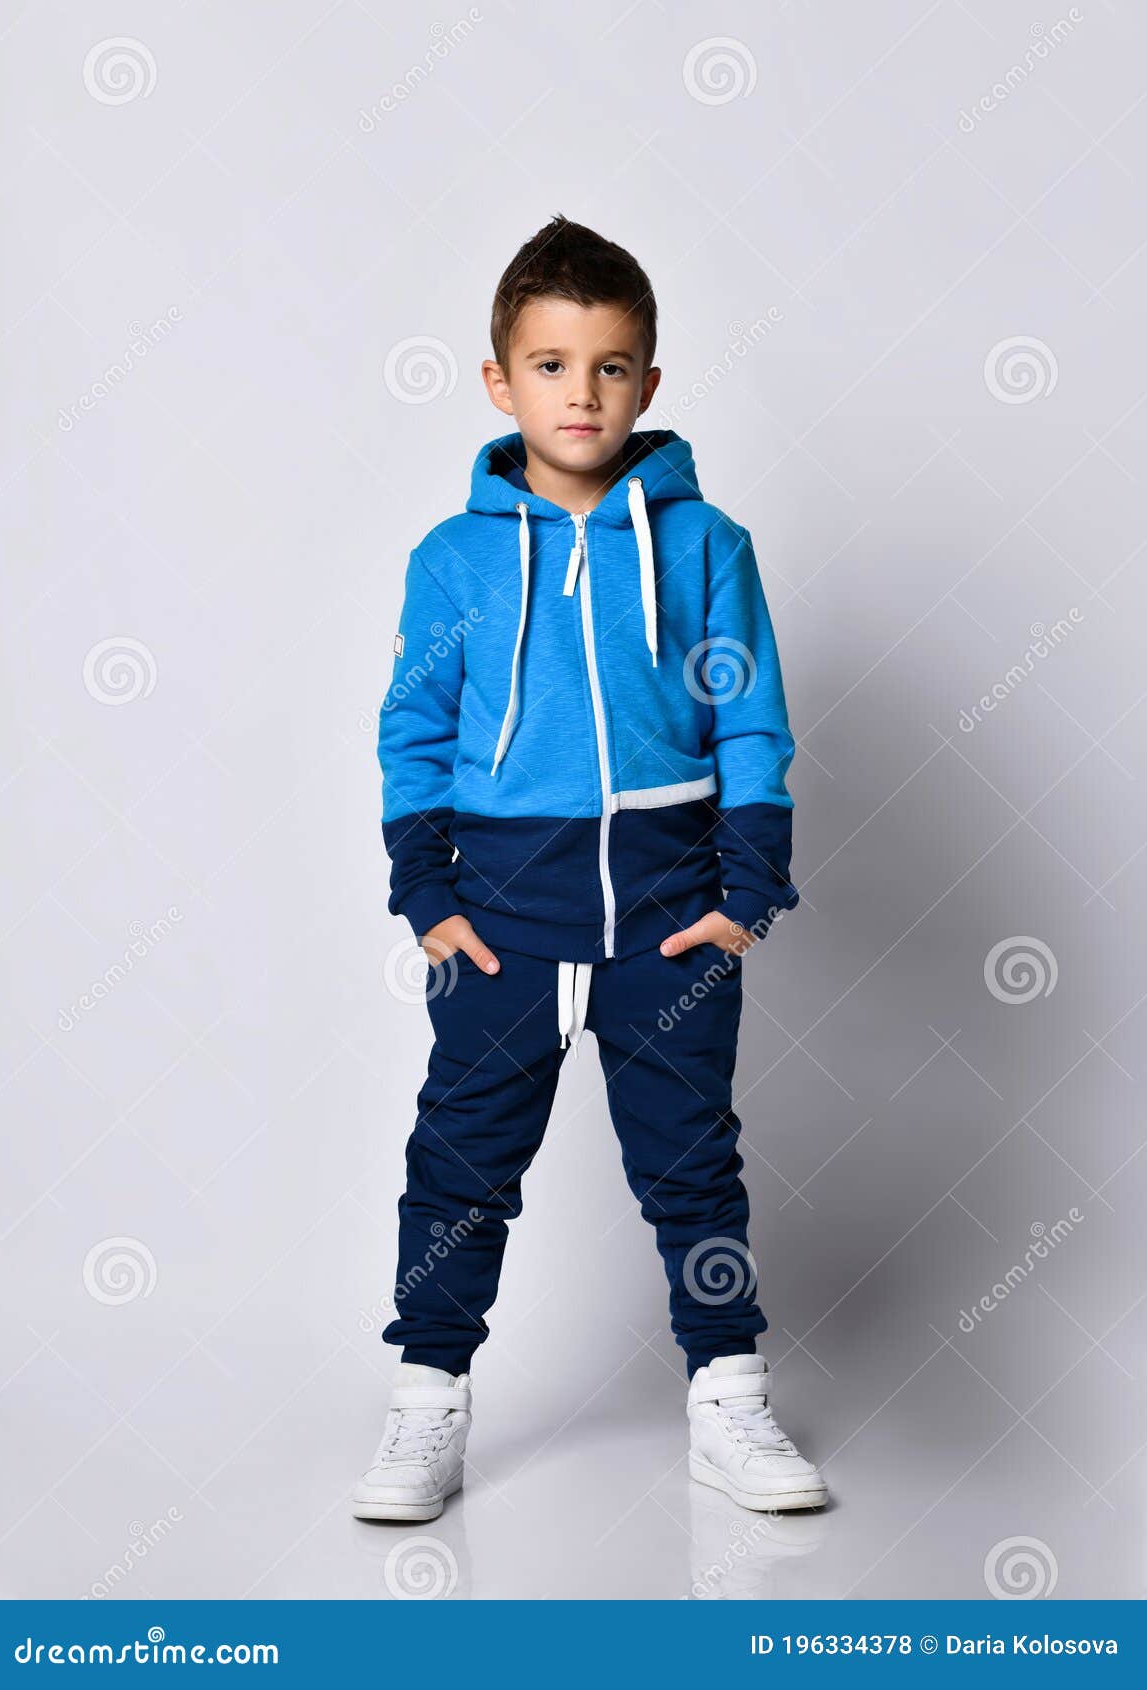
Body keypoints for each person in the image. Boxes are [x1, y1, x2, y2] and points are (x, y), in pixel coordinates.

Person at [351, 215, 828, 1524]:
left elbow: (752, 720)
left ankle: (728, 1393)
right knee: (458, 1162)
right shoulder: (453, 560)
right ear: (501, 382)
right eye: (553, 365)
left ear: (650, 385)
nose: (583, 392)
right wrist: (429, 895)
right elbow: (414, 731)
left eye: (612, 366)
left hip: (670, 916)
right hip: (505, 917)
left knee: (693, 1164)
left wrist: (747, 892)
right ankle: (426, 1403)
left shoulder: (707, 544)